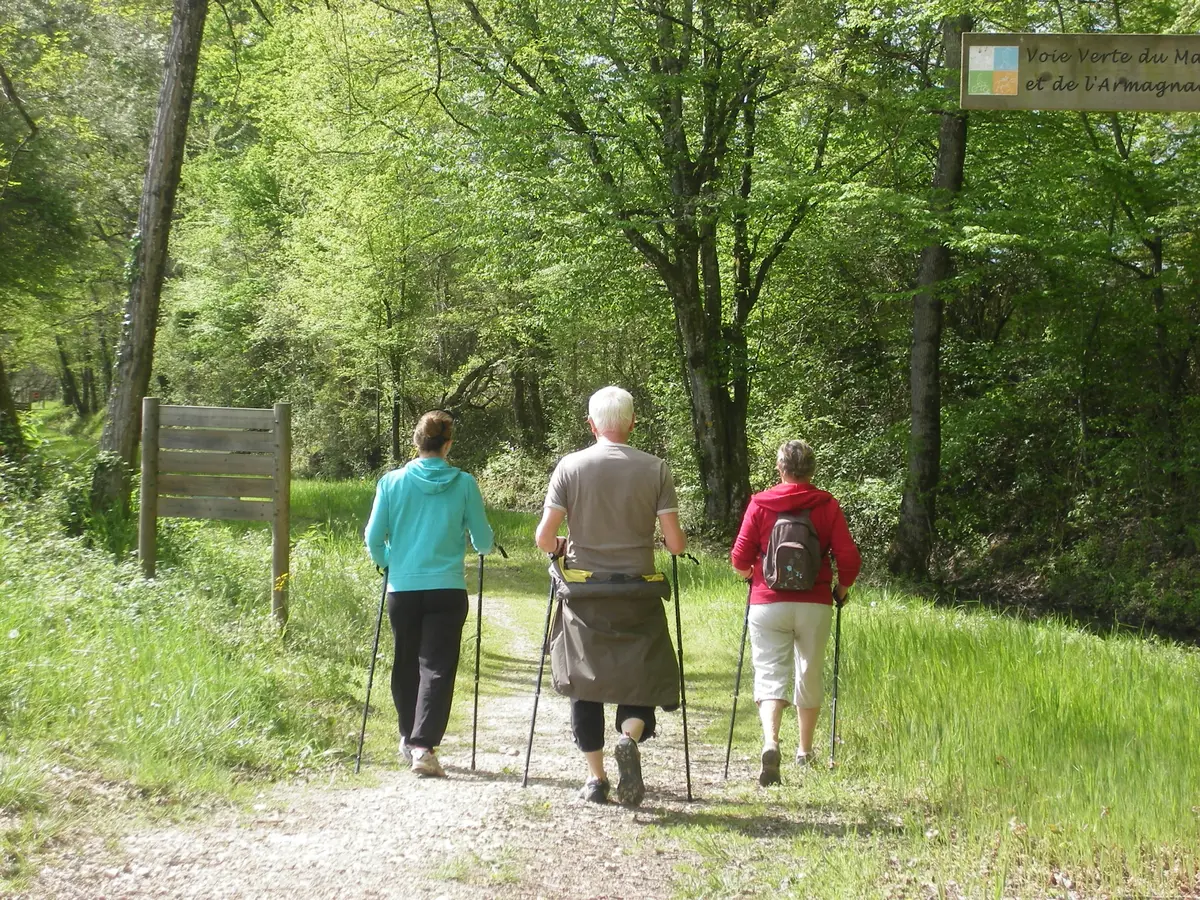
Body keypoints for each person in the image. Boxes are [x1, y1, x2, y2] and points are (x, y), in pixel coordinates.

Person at [534, 386, 687, 806]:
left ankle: (596, 780)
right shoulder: (655, 469)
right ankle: (629, 737)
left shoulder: (571, 467)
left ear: (591, 424)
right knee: (639, 677)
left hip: (586, 593)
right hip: (638, 592)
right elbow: (675, 545)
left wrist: (563, 544)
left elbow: (544, 537)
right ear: (632, 423)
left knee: (585, 683)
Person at [365, 410, 494, 778]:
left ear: (415, 442)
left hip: (403, 588)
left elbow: (374, 539)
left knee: (405, 662)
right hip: (447, 588)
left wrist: (390, 561)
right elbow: (483, 542)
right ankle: (424, 746)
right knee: (436, 667)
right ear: (448, 445)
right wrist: (482, 542)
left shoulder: (391, 482)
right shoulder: (465, 483)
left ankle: (408, 737)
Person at [729, 439, 861, 786]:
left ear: (780, 468)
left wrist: (750, 577)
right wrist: (841, 590)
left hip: (767, 602)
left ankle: (771, 742)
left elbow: (739, 557)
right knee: (809, 671)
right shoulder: (827, 505)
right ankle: (804, 751)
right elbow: (848, 557)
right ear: (812, 469)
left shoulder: (760, 504)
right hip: (814, 603)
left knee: (771, 671)